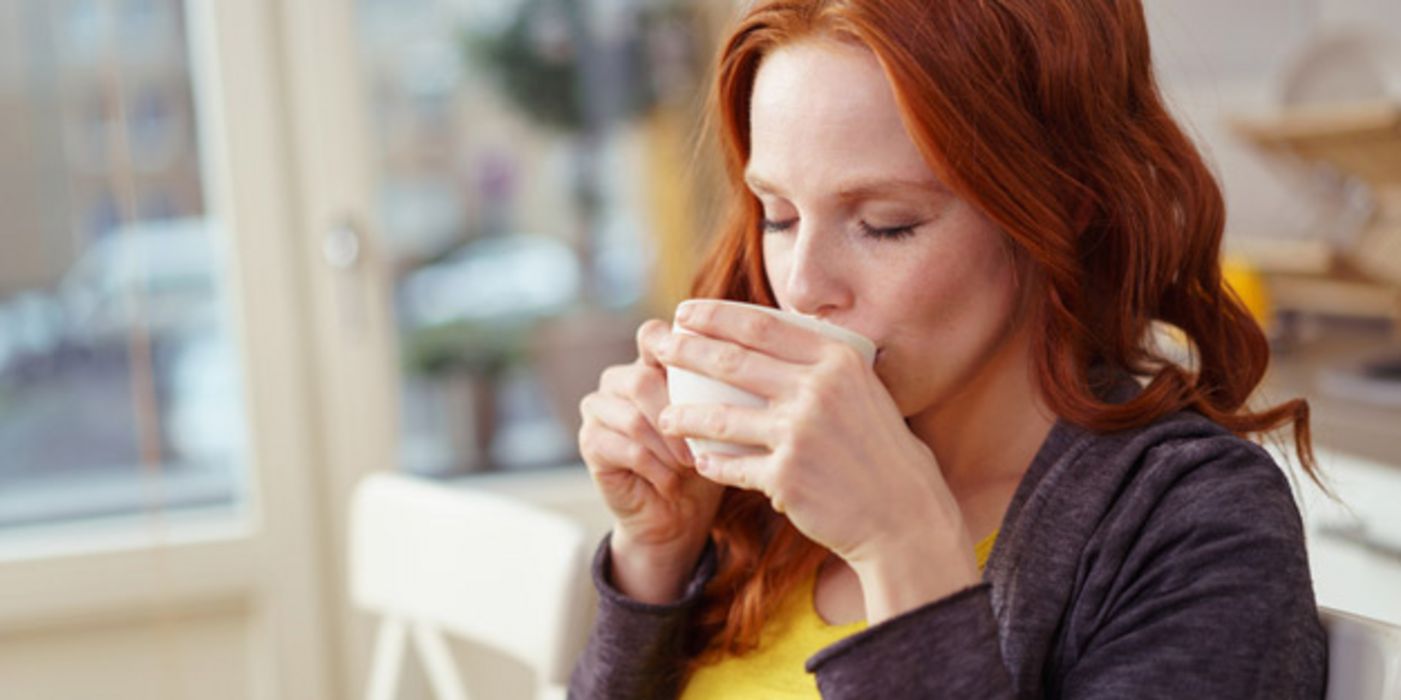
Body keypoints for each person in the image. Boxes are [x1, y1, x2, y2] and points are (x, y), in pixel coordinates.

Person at [569, 1, 1328, 697]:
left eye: (887, 223)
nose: (802, 288)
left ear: (1062, 205)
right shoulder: (761, 501)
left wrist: (902, 548)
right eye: (777, 215)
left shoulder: (1187, 520)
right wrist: (657, 557)